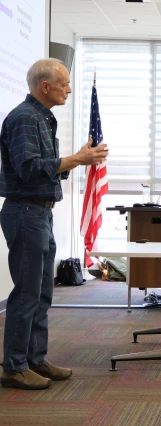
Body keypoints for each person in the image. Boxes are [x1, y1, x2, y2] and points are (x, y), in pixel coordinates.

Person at [0, 59, 109, 390]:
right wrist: (78, 159)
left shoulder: (43, 118)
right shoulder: (23, 118)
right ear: (44, 86)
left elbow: (47, 169)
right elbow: (29, 169)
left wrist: (74, 159)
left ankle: (35, 359)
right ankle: (14, 366)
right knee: (27, 293)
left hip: (40, 213)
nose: (69, 89)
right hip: (25, 213)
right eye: (64, 83)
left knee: (43, 292)